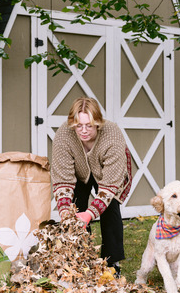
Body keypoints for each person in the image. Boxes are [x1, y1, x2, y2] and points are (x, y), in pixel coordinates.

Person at [51, 97, 133, 276]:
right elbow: (62, 179)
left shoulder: (112, 133)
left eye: (89, 125)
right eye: (79, 126)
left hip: (108, 173)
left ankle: (112, 263)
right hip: (79, 172)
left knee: (110, 208)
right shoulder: (64, 134)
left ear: (98, 122)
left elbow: (110, 186)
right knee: (74, 206)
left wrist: (89, 214)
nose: (84, 131)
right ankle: (81, 257)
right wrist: (65, 211)